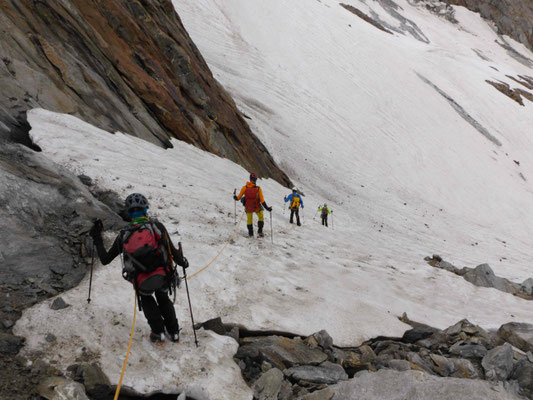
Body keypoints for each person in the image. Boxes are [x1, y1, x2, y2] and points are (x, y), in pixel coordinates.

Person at [89, 193, 188, 344]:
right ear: (146, 209)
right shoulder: (157, 227)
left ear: (129, 213)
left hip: (142, 280)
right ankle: (174, 333)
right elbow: (173, 253)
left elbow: (105, 259)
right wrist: (183, 262)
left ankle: (158, 334)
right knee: (163, 298)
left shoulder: (124, 235)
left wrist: (97, 237)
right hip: (163, 276)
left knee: (147, 298)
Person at [234, 173, 272, 237]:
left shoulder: (244, 188)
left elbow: (238, 198)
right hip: (257, 207)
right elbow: (262, 201)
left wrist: (234, 196)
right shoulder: (258, 189)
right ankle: (260, 232)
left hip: (248, 207)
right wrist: (267, 208)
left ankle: (250, 233)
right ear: (256, 180)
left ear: (250, 179)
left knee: (249, 220)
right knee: (261, 217)